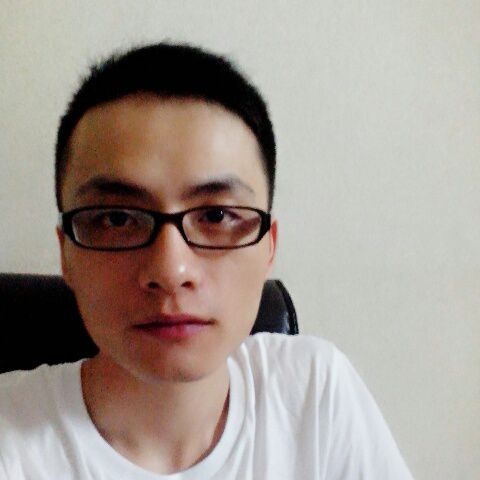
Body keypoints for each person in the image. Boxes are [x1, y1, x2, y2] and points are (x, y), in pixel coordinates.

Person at [0, 42, 414, 479]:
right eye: (117, 218)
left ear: (269, 247)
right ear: (65, 252)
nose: (170, 271)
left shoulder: (313, 393)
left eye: (216, 216)